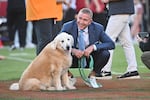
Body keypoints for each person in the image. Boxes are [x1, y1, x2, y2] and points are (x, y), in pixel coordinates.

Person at [60, 8, 115, 79]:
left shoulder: (98, 28)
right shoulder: (67, 26)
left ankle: (94, 73)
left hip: (89, 58)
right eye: (80, 18)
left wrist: (93, 47)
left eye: (85, 20)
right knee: (57, 53)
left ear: (90, 21)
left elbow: (111, 44)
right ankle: (66, 73)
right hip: (71, 58)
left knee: (105, 53)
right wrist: (72, 50)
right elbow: (57, 43)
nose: (81, 22)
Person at [101, 0, 140, 79]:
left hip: (119, 11)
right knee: (127, 43)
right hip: (121, 11)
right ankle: (133, 70)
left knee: (108, 40)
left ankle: (105, 70)